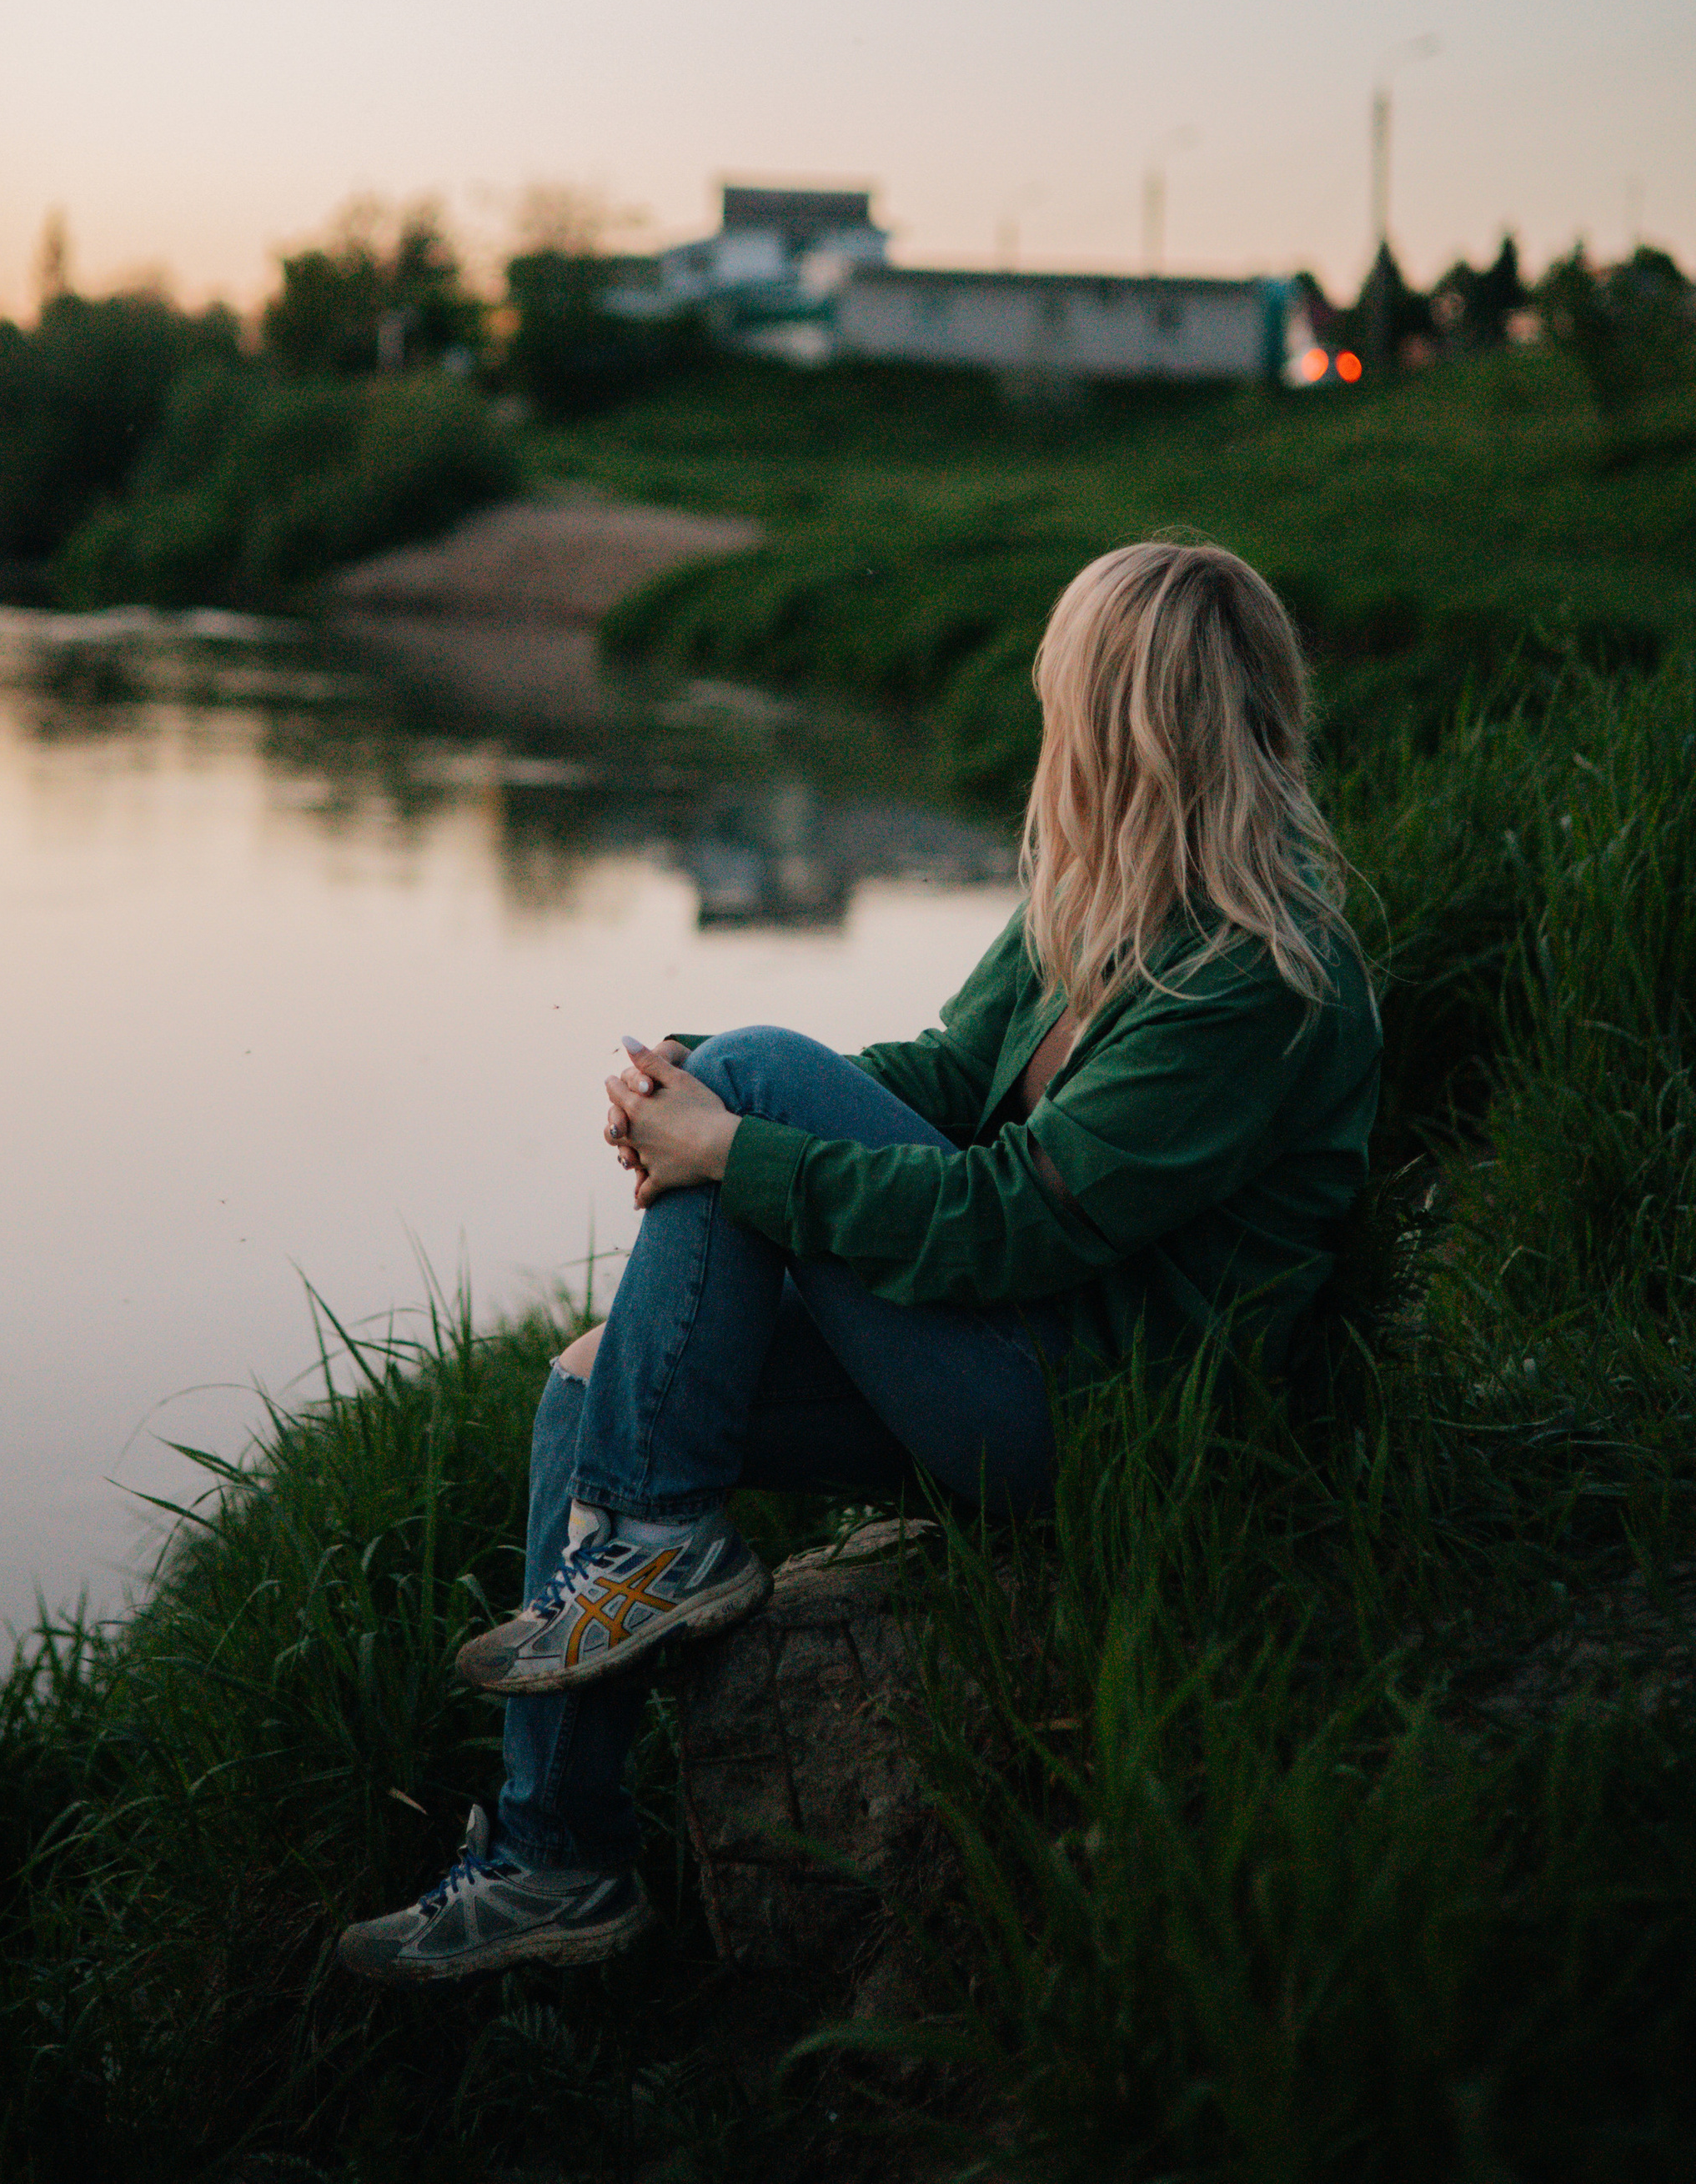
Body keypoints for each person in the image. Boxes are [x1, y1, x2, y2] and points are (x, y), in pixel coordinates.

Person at [338, 540, 1381, 1983]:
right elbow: (950, 1076)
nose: (1042, 723)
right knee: (591, 1386)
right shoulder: (1099, 899)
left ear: (1123, 720)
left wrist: (735, 1135)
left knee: (762, 1081)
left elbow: (1016, 1216)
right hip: (999, 1355)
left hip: (1089, 1414)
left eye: (1059, 693)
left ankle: (652, 1539)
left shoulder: (1255, 976)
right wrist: (694, 1085)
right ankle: (553, 1861)